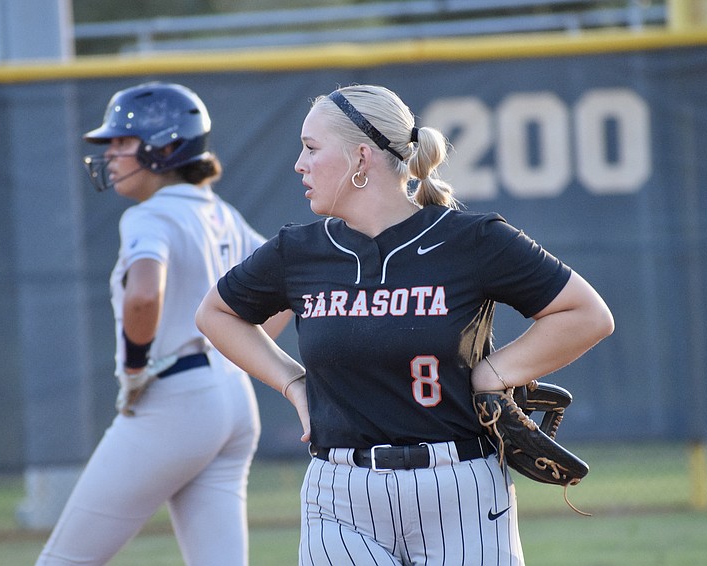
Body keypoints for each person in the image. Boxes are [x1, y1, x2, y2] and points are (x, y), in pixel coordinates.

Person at [195, 84, 615, 565]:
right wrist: (293, 385)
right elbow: (216, 314)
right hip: (340, 495)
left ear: (361, 157)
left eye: (311, 148)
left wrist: (493, 374)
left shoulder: (470, 240)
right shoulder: (299, 251)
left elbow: (587, 314)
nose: (299, 164)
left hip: (460, 489)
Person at [36, 82, 290, 566]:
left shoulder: (149, 215)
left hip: (175, 396)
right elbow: (287, 287)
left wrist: (134, 369)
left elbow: (145, 293)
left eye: (122, 141)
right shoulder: (221, 212)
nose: (110, 154)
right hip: (233, 399)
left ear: (166, 147)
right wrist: (239, 353)